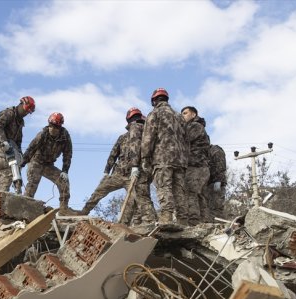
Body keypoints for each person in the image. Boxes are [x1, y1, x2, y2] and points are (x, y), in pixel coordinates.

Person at [81, 108, 156, 225]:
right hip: (119, 173)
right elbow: (113, 154)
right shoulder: (122, 137)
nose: (135, 122)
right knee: (98, 192)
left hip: (135, 175)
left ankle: (129, 224)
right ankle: (83, 213)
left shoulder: (146, 136)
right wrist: (106, 172)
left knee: (137, 201)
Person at [140, 88, 188, 225]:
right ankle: (183, 219)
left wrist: (145, 158)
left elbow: (148, 138)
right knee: (179, 189)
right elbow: (187, 140)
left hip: (162, 158)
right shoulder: (179, 116)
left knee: (164, 186)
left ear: (154, 101)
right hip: (180, 160)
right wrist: (185, 158)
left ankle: (166, 218)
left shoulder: (155, 113)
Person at [22, 112, 74, 211]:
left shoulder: (65, 136)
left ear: (59, 127)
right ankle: (25, 209)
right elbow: (31, 149)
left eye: (55, 127)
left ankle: (64, 209)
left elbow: (68, 154)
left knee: (64, 182)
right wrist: (22, 163)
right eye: (50, 126)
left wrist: (65, 170)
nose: (52, 129)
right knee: (32, 183)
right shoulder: (43, 134)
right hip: (35, 162)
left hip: (49, 165)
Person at [0, 96, 36, 192]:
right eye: (26, 110)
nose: (26, 113)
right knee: (5, 168)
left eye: (28, 112)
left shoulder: (20, 122)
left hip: (10, 146)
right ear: (22, 104)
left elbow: (18, 140)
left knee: (15, 172)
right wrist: (4, 141)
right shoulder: (9, 113)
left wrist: (20, 154)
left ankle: (6, 194)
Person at [180, 106, 211, 225]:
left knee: (190, 192)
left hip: (196, 166)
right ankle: (205, 221)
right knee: (200, 195)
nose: (182, 116)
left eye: (185, 113)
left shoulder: (195, 126)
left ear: (193, 115)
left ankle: (193, 221)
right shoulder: (197, 127)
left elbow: (183, 139)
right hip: (199, 166)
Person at [206, 144, 227, 219]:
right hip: (209, 183)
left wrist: (218, 180)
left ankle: (220, 225)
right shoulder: (206, 152)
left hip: (216, 182)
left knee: (217, 207)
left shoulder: (215, 150)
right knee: (211, 208)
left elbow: (221, 166)